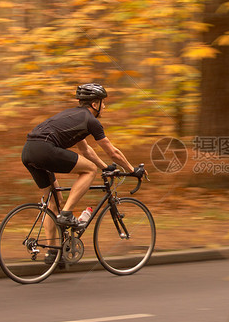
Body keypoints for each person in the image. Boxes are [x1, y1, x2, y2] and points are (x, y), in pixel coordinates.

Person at [21, 83, 143, 230]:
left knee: (54, 202)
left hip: (28, 151)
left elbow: (86, 150)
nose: (104, 106)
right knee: (90, 170)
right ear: (94, 104)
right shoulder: (91, 120)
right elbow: (113, 152)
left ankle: (52, 252)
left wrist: (105, 167)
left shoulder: (72, 116)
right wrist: (132, 170)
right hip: (45, 149)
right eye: (103, 102)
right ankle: (66, 214)